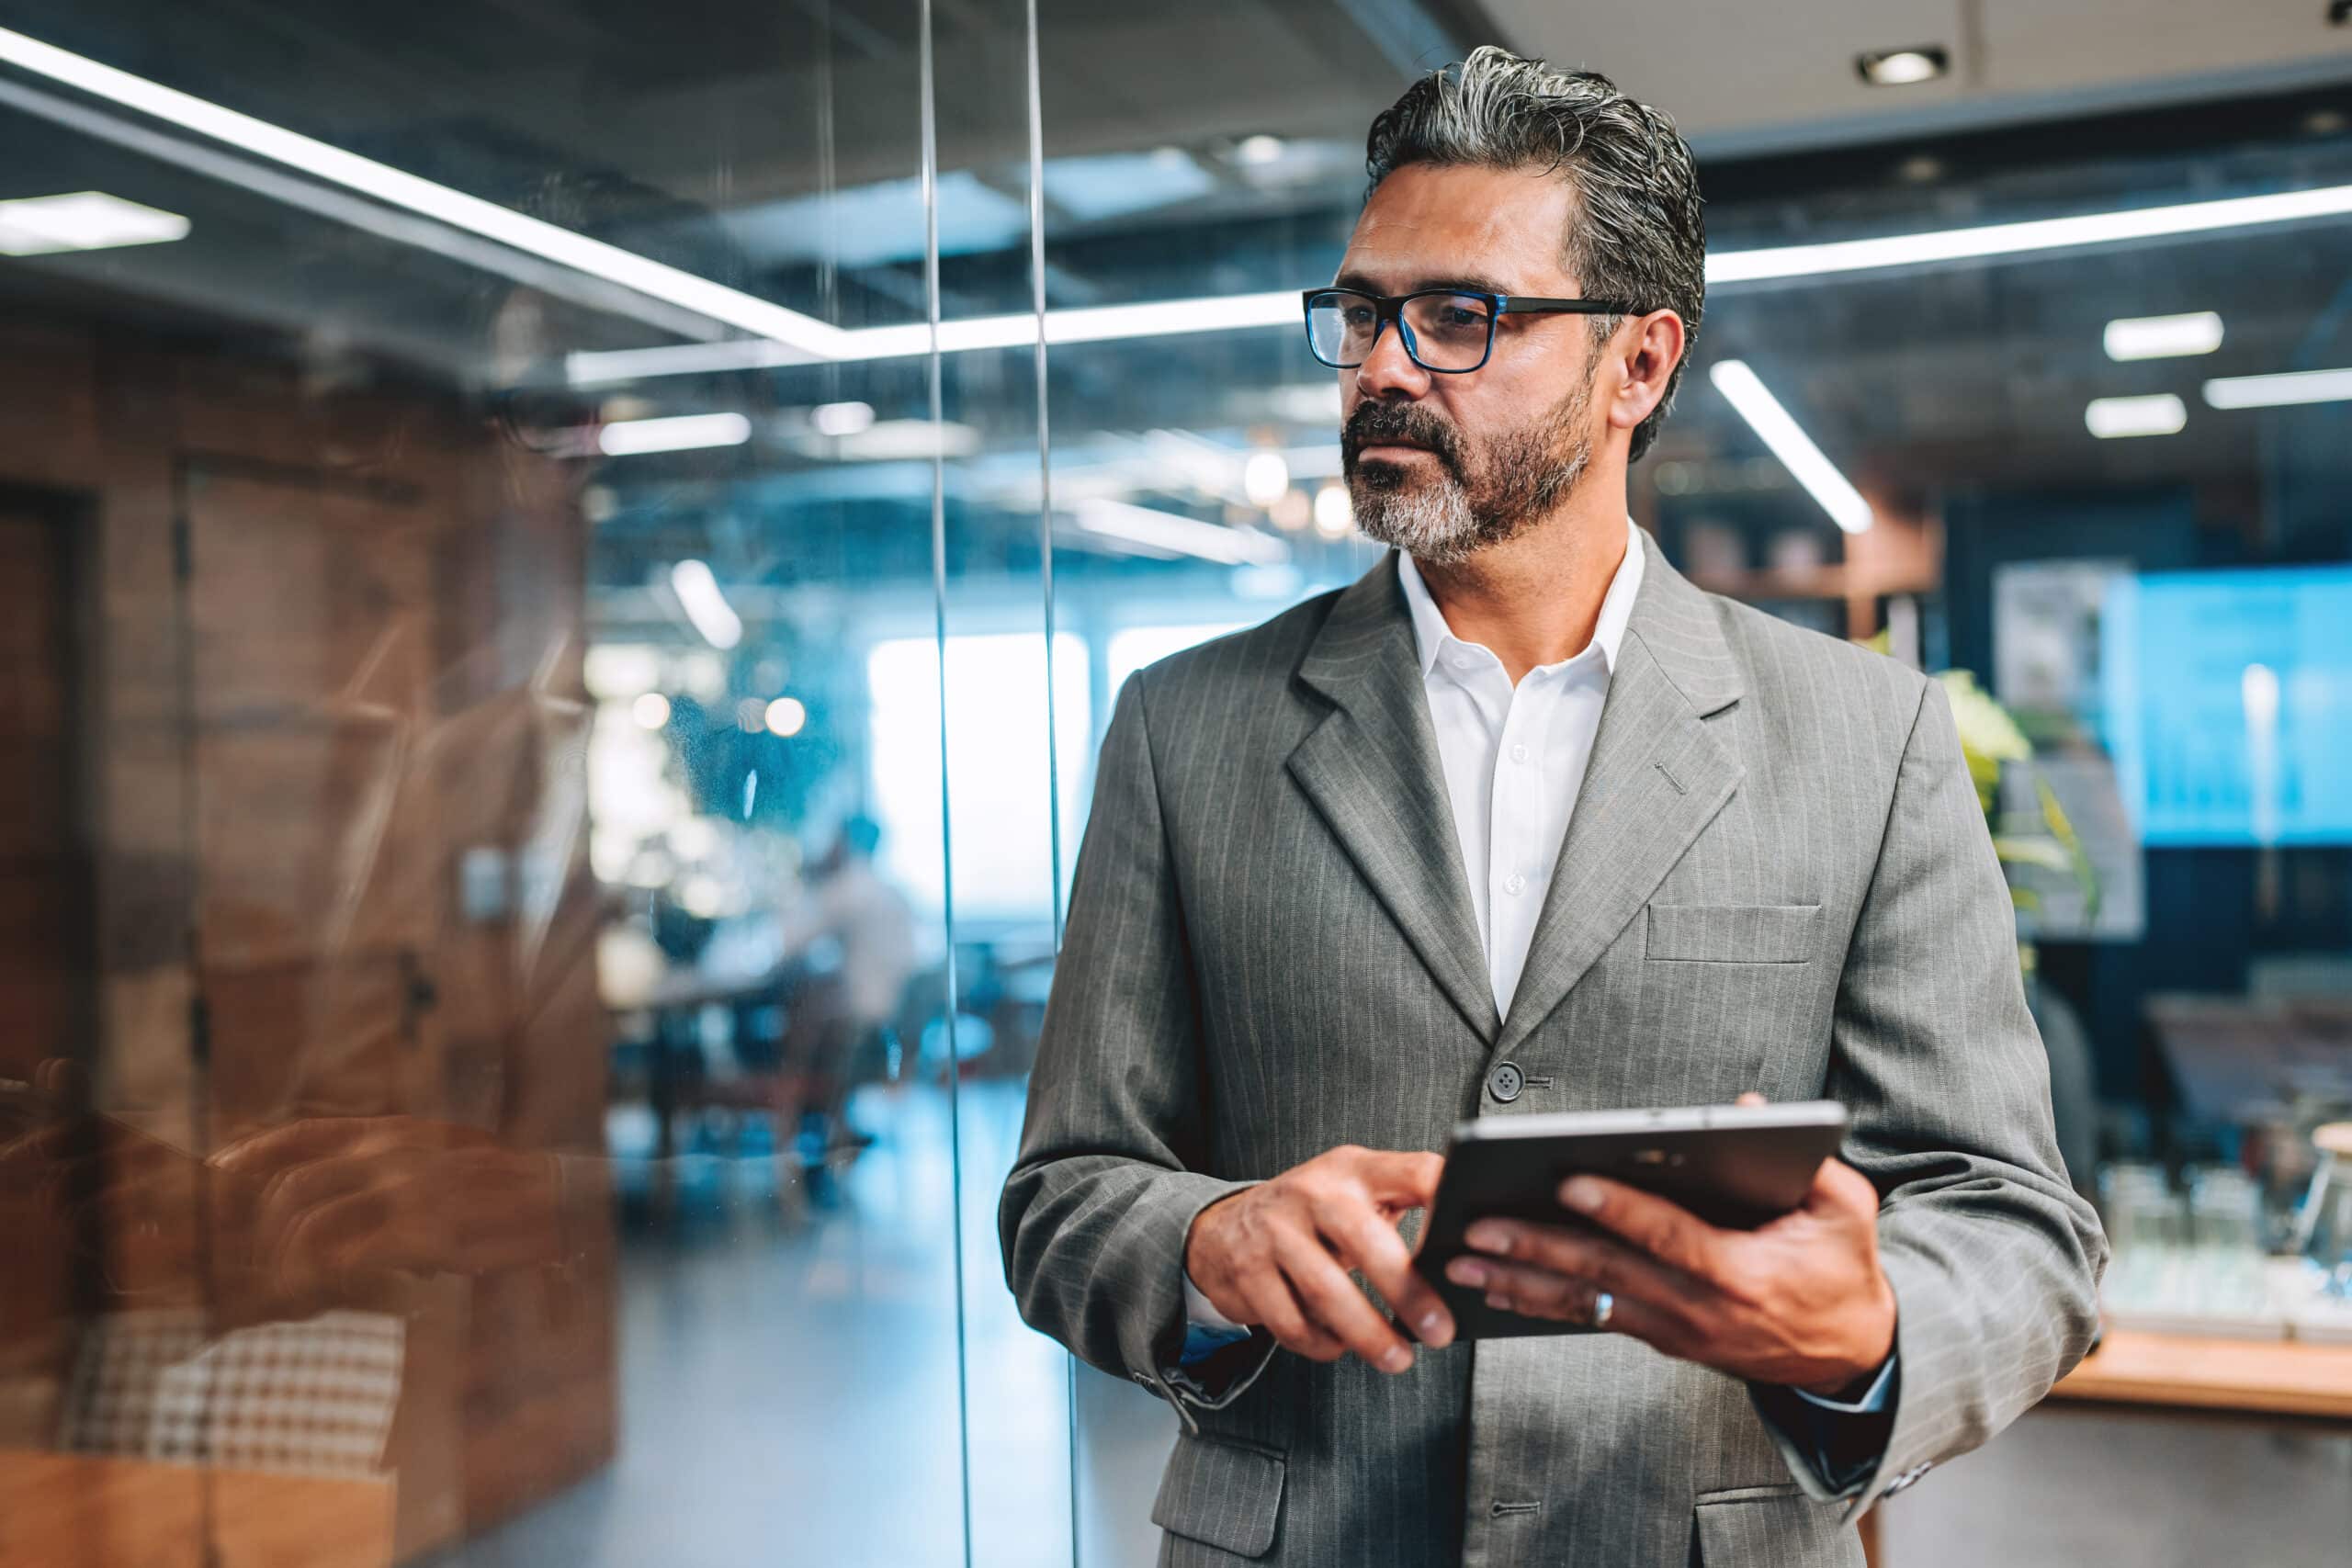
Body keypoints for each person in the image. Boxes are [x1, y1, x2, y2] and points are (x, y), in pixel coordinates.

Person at [1000, 47, 2104, 1568]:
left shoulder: (1866, 735)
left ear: (1637, 366)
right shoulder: (1185, 727)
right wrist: (1204, 1243)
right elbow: (1063, 1197)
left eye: (1462, 317)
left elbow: (2016, 1225)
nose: (1386, 365)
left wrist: (1871, 1325)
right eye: (1365, 312)